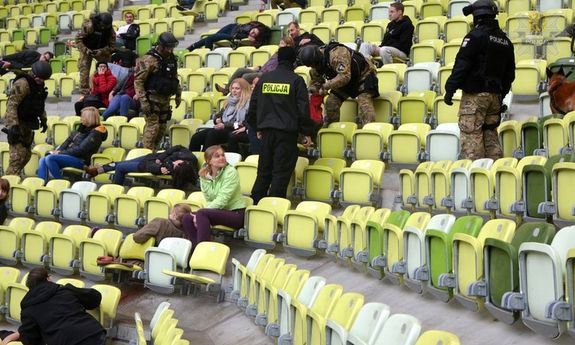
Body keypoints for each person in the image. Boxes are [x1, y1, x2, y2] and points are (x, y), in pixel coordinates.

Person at [443, 0, 515, 160]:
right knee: (491, 137)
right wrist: (500, 94)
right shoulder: (505, 41)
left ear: (477, 16)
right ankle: (495, 176)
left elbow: (462, 65)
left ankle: (478, 179)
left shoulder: (475, 37)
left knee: (471, 139)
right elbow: (510, 74)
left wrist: (450, 89)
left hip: (475, 97)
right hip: (495, 96)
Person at [247, 47, 316, 204]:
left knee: (263, 171)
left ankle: (255, 207)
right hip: (287, 135)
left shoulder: (264, 79)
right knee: (281, 173)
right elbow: (303, 110)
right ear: (294, 61)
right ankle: (273, 209)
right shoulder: (296, 81)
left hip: (266, 133)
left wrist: (257, 127)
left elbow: (253, 106)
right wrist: (306, 132)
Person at [0, 267, 106, 345]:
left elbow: (30, 340)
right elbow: (95, 298)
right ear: (48, 278)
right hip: (95, 334)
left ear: (29, 286)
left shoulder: (28, 308)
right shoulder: (65, 289)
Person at [299, 42, 379, 126]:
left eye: (315, 64)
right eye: (312, 65)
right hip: (345, 82)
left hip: (363, 75)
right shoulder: (316, 66)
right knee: (331, 103)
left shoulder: (336, 54)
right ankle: (332, 130)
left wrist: (325, 87)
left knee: (364, 105)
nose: (314, 67)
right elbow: (316, 82)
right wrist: (313, 91)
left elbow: (345, 76)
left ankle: (370, 131)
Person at [181, 145, 246, 247]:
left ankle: (203, 250)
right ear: (209, 160)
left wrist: (199, 214)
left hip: (236, 214)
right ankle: (195, 250)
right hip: (219, 211)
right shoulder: (204, 174)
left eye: (222, 155)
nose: (222, 158)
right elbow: (209, 198)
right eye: (217, 156)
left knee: (201, 213)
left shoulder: (231, 172)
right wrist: (206, 178)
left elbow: (222, 199)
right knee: (187, 217)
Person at [3, 61, 51, 176]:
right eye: (40, 78)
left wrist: (43, 120)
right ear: (34, 74)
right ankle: (6, 186)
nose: (42, 81)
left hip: (28, 123)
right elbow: (11, 104)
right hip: (17, 123)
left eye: (44, 79)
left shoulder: (38, 85)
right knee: (17, 158)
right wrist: (13, 126)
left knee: (26, 156)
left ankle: (13, 181)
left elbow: (39, 105)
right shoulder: (22, 83)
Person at [135, 32, 182, 150]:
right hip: (151, 99)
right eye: (167, 47)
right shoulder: (149, 59)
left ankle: (154, 152)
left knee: (161, 128)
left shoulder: (171, 58)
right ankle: (147, 154)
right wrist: (143, 101)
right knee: (153, 127)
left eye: (171, 47)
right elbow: (138, 81)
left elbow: (174, 77)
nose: (170, 50)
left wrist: (178, 94)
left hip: (165, 98)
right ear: (161, 45)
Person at [37, 107, 107, 182]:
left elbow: (81, 150)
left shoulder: (95, 133)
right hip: (69, 156)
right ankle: (42, 183)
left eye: (83, 117)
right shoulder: (81, 128)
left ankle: (60, 182)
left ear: (89, 118)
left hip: (81, 160)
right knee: (42, 159)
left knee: (50, 158)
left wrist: (60, 153)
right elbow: (67, 141)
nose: (81, 118)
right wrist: (58, 151)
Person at [84, 145, 198, 188]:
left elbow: (153, 168)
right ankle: (98, 171)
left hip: (145, 165)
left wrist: (158, 167)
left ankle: (116, 189)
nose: (173, 163)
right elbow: (177, 147)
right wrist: (161, 158)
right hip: (151, 157)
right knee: (120, 164)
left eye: (174, 165)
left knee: (120, 167)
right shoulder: (190, 158)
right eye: (175, 163)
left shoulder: (173, 170)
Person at [215, 36, 295, 96]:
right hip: (262, 71)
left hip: (269, 75)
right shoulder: (276, 53)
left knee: (246, 76)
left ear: (288, 45)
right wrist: (259, 68)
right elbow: (267, 65)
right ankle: (226, 90)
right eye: (280, 43)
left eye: (282, 44)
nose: (279, 45)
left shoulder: (288, 56)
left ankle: (240, 95)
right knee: (240, 70)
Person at [189, 78, 252, 152]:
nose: (234, 91)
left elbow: (243, 123)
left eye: (237, 88)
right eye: (232, 88)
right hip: (224, 127)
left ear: (244, 90)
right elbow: (218, 115)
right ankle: (191, 159)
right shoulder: (229, 101)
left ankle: (207, 158)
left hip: (235, 128)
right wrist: (217, 119)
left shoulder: (248, 103)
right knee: (197, 136)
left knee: (212, 134)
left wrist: (225, 125)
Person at [70, 12, 116, 98]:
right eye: (102, 25)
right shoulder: (89, 25)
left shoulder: (110, 30)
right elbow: (78, 39)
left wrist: (102, 51)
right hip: (86, 49)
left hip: (101, 50)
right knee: (84, 70)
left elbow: (112, 47)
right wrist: (85, 50)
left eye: (105, 26)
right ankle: (84, 93)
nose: (103, 28)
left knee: (108, 67)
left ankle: (106, 89)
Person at [186, 21, 270, 51]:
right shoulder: (251, 25)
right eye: (253, 30)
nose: (252, 32)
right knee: (211, 37)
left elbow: (236, 36)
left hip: (230, 36)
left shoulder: (249, 38)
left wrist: (251, 39)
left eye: (254, 34)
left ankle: (207, 55)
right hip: (231, 27)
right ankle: (193, 46)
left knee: (210, 39)